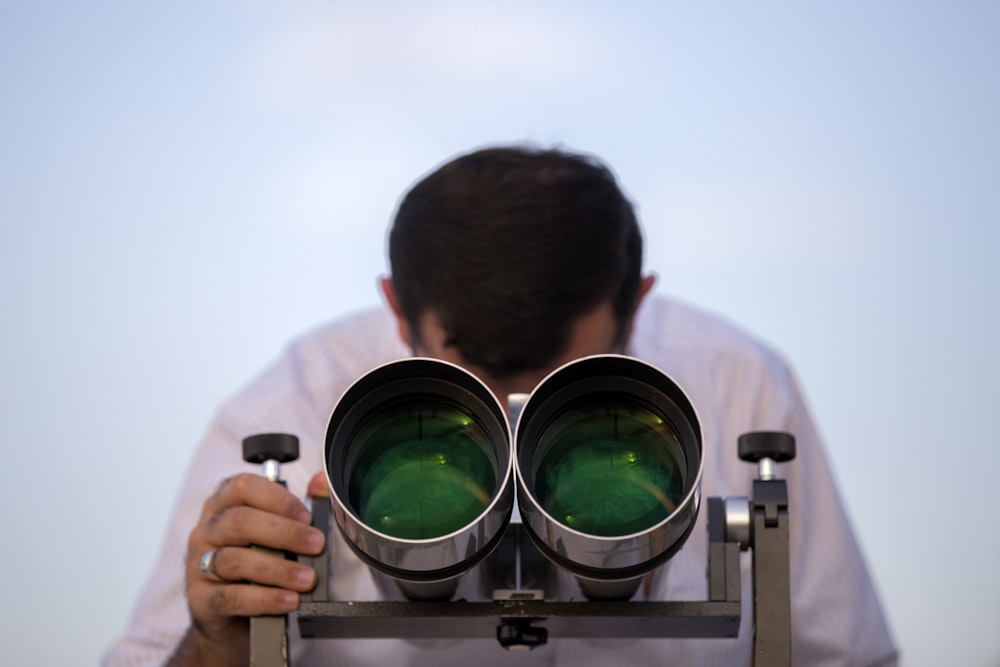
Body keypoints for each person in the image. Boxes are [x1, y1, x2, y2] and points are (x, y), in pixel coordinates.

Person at [104, 145, 898, 666]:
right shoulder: (294, 402)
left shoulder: (737, 379)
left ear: (640, 302)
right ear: (394, 308)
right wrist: (217, 644)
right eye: (475, 380)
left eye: (564, 383)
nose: (516, 420)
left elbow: (843, 652)